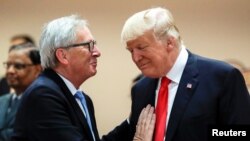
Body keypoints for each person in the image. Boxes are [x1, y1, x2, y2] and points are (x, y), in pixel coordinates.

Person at [11, 15, 155, 141]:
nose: (97, 52)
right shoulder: (43, 95)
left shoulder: (82, 98)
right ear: (63, 55)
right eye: (89, 45)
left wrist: (133, 121)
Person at [121, 7, 250, 141]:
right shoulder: (140, 89)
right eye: (131, 51)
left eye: (141, 48)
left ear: (169, 42)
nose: (136, 58)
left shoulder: (222, 77)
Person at [0, 43, 42, 141]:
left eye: (18, 66)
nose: (10, 71)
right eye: (8, 65)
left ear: (38, 69)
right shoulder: (2, 100)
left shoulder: (42, 102)